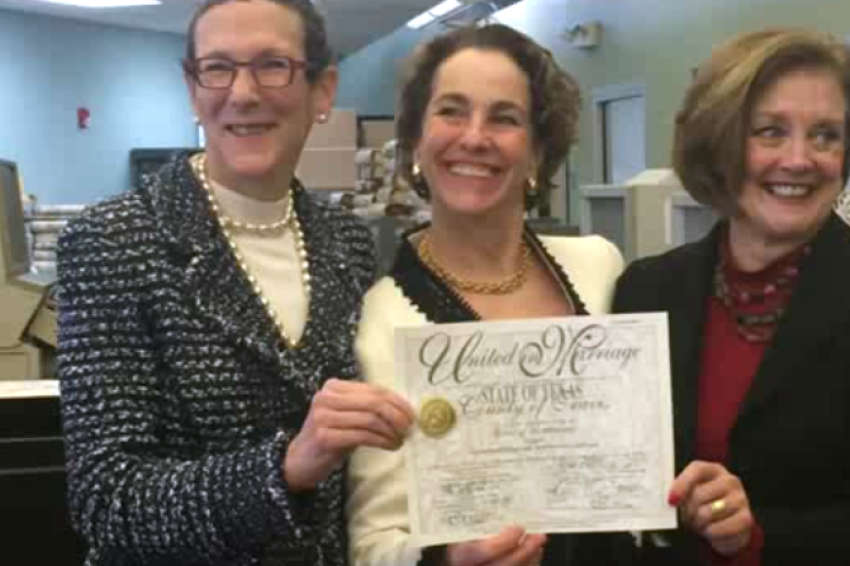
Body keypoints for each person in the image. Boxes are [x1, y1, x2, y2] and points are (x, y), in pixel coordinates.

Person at [56, 0, 415, 564]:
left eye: (273, 65)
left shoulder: (347, 241)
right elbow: (106, 500)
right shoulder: (111, 240)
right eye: (217, 68)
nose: (242, 93)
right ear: (192, 89)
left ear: (322, 90)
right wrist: (285, 470)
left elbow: (361, 480)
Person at [347, 24, 632, 566]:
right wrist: (448, 559)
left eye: (505, 118)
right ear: (416, 141)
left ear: (537, 151)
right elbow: (372, 545)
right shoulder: (376, 323)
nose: (475, 137)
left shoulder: (601, 268)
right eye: (451, 111)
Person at [613, 28, 850, 565]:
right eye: (770, 132)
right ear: (719, 145)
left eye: (825, 135)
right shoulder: (645, 291)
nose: (799, 159)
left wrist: (758, 536)